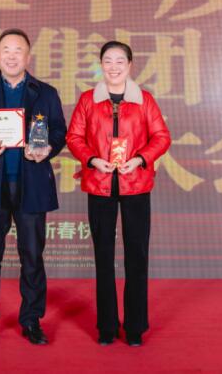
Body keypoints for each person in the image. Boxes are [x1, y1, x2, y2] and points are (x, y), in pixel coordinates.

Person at [0, 28, 66, 346]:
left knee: (32, 256)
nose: (12, 55)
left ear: (28, 56)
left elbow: (59, 131)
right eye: (6, 49)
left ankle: (31, 320)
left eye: (18, 50)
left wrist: (48, 148)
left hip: (32, 184)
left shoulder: (45, 92)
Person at [66, 41, 170, 347]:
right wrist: (91, 159)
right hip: (99, 184)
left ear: (130, 65)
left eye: (119, 61)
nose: (113, 67)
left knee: (137, 255)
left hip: (135, 184)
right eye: (108, 61)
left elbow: (162, 137)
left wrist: (139, 159)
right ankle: (107, 326)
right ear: (101, 65)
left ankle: (135, 327)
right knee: (103, 256)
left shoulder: (144, 100)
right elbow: (74, 136)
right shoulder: (88, 100)